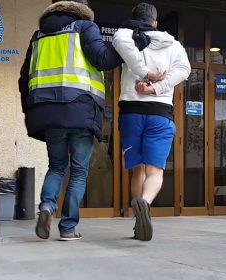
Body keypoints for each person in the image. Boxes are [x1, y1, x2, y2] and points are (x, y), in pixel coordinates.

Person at [18, 0, 122, 241]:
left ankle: (46, 207)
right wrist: (125, 46)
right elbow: (102, 60)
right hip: (80, 110)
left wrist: (30, 111)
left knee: (56, 166)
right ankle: (68, 228)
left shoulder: (38, 36)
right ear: (82, 11)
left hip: (47, 112)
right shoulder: (85, 28)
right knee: (78, 172)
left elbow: (24, 79)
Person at [113, 2, 191, 241]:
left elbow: (118, 38)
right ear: (155, 22)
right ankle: (145, 203)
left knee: (138, 169)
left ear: (134, 19)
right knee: (154, 171)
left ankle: (139, 221)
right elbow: (184, 70)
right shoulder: (173, 45)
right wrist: (156, 88)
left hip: (131, 112)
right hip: (160, 113)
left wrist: (146, 79)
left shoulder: (127, 36)